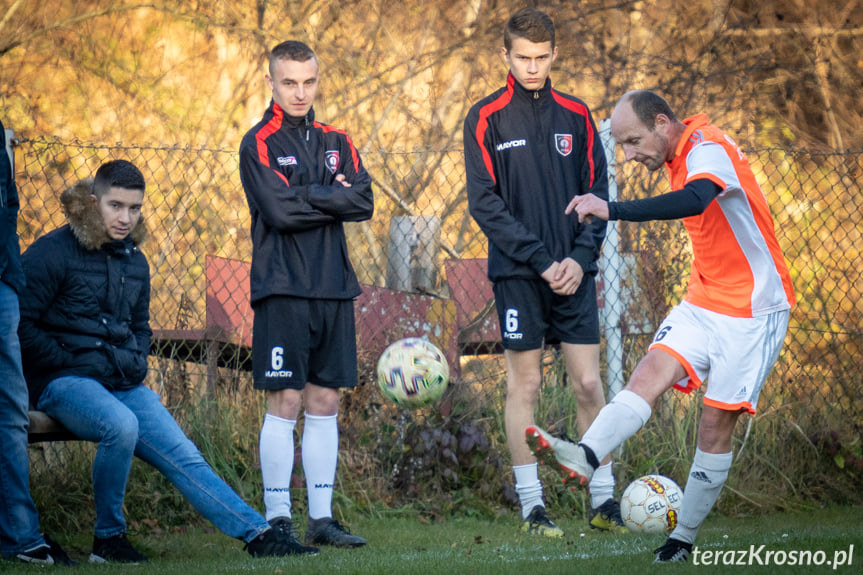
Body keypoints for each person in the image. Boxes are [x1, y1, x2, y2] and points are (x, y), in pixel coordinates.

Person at [526, 90, 795, 562]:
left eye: (633, 141)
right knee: (647, 375)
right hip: (704, 299)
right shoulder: (676, 152)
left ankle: (681, 538)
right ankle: (585, 456)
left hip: (755, 309)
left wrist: (613, 207)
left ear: (663, 123)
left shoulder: (707, 148)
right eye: (622, 146)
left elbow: (695, 200)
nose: (629, 155)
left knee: (714, 425)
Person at [18, 160, 320, 564]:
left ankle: (259, 535)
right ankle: (109, 539)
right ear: (93, 202)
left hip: (121, 381)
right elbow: (18, 324)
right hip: (64, 382)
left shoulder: (134, 261)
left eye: (135, 208)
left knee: (184, 454)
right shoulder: (51, 253)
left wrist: (135, 361)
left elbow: (140, 327)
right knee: (120, 426)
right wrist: (64, 362)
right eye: (115, 206)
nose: (125, 218)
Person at [463, 8, 625, 537]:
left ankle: (604, 503)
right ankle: (533, 508)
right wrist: (540, 260)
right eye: (522, 58)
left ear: (555, 55)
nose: (532, 67)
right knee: (525, 384)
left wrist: (579, 260)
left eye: (540, 58)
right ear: (505, 56)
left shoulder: (577, 115)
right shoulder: (485, 117)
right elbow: (485, 204)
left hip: (575, 275)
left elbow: (598, 198)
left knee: (586, 383)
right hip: (518, 274)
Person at [239, 40, 373, 549]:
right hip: (282, 286)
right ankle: (277, 518)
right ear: (270, 81)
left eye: (308, 81)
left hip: (334, 285)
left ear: (318, 80)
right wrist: (330, 194)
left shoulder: (338, 138)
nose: (299, 91)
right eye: (289, 82)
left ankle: (321, 518)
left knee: (324, 398)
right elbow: (279, 212)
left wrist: (308, 191)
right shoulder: (259, 142)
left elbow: (363, 199)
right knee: (287, 398)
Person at [0, 118, 76, 566]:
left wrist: (9, 273)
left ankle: (20, 536)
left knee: (10, 413)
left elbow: (8, 200)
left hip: (3, 282)